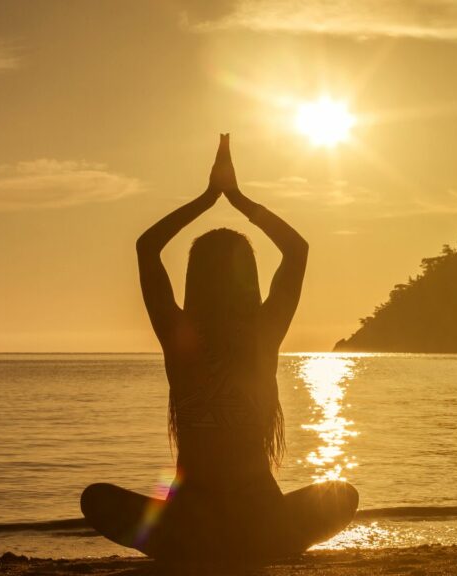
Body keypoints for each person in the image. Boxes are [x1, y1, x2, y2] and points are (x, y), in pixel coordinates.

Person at [80, 134, 358, 564]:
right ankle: (267, 544)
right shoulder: (264, 331)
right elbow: (296, 250)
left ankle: (189, 545)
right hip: (260, 523)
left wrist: (208, 199)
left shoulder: (178, 333)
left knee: (96, 499)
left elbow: (146, 247)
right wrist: (238, 199)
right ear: (249, 278)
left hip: (189, 527)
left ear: (195, 278)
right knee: (343, 496)